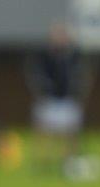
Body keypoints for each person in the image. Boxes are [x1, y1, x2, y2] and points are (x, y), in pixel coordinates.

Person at [26, 22, 83, 176]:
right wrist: (45, 89)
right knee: (43, 131)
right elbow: (36, 75)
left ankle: (68, 162)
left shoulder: (72, 56)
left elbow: (77, 75)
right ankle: (42, 162)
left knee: (71, 132)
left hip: (66, 99)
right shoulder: (43, 55)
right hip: (49, 99)